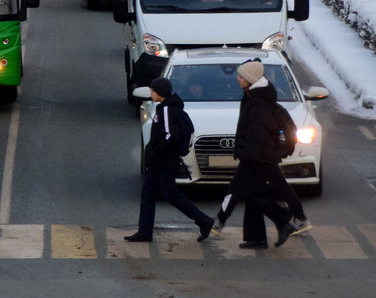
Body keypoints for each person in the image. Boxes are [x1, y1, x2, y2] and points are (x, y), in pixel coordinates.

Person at [124, 77, 216, 243]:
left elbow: (170, 135)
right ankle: (144, 232)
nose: (151, 93)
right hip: (158, 161)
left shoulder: (167, 110)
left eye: (153, 90)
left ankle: (204, 221)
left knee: (170, 194)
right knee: (148, 194)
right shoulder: (166, 108)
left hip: (164, 161)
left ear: (160, 93)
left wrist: (155, 151)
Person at [228, 59, 299, 249]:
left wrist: (248, 156)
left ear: (250, 79)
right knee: (253, 194)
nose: (238, 79)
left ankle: (282, 219)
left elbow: (257, 133)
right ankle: (257, 238)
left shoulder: (258, 101)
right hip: (254, 154)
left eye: (241, 76)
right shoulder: (252, 95)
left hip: (255, 156)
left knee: (249, 194)